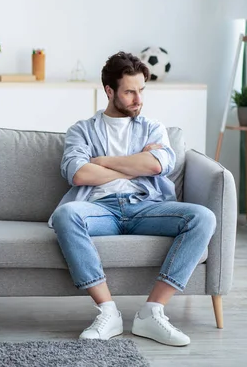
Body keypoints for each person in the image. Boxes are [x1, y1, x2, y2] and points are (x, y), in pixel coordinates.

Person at [50, 52, 216, 347]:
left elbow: (156, 166)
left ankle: (152, 313)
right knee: (66, 215)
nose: (138, 98)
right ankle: (107, 312)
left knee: (203, 217)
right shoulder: (82, 130)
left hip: (147, 206)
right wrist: (134, 164)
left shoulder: (153, 128)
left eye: (141, 90)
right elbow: (78, 174)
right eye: (129, 91)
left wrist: (104, 162)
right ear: (110, 91)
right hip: (99, 209)